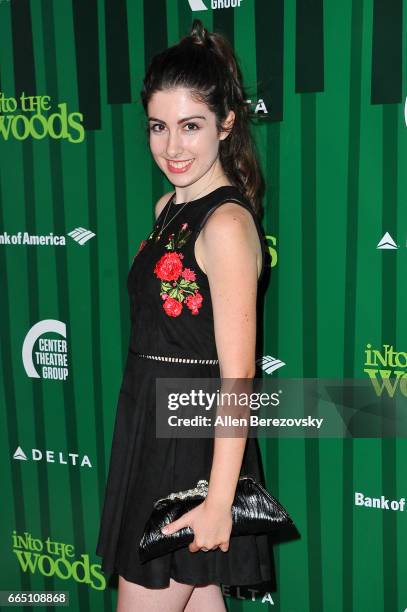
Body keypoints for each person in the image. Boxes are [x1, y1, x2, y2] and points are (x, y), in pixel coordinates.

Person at [95, 18, 276, 612]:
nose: (172, 147)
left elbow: (238, 376)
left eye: (191, 126)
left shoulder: (225, 224)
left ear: (225, 124)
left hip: (190, 445)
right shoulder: (170, 205)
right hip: (153, 426)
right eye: (158, 126)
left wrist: (220, 498)